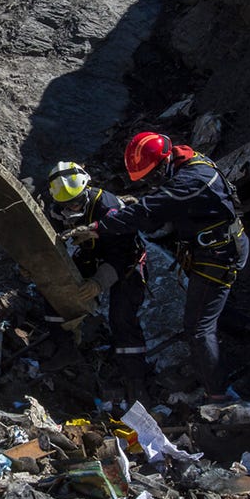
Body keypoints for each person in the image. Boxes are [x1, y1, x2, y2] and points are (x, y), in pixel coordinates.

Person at [63, 132, 249, 403]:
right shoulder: (187, 162)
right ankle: (246, 334)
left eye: (151, 177)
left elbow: (148, 212)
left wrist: (97, 228)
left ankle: (219, 396)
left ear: (163, 164)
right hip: (212, 247)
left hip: (218, 254)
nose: (151, 182)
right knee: (209, 306)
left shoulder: (190, 180)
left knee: (197, 328)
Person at [48, 162, 149, 401]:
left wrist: (99, 282)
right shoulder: (55, 206)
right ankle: (64, 348)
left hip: (126, 261)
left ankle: (135, 377)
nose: (71, 208)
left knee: (122, 316)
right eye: (65, 205)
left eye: (75, 202)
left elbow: (121, 254)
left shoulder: (108, 206)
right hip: (89, 253)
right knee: (55, 292)